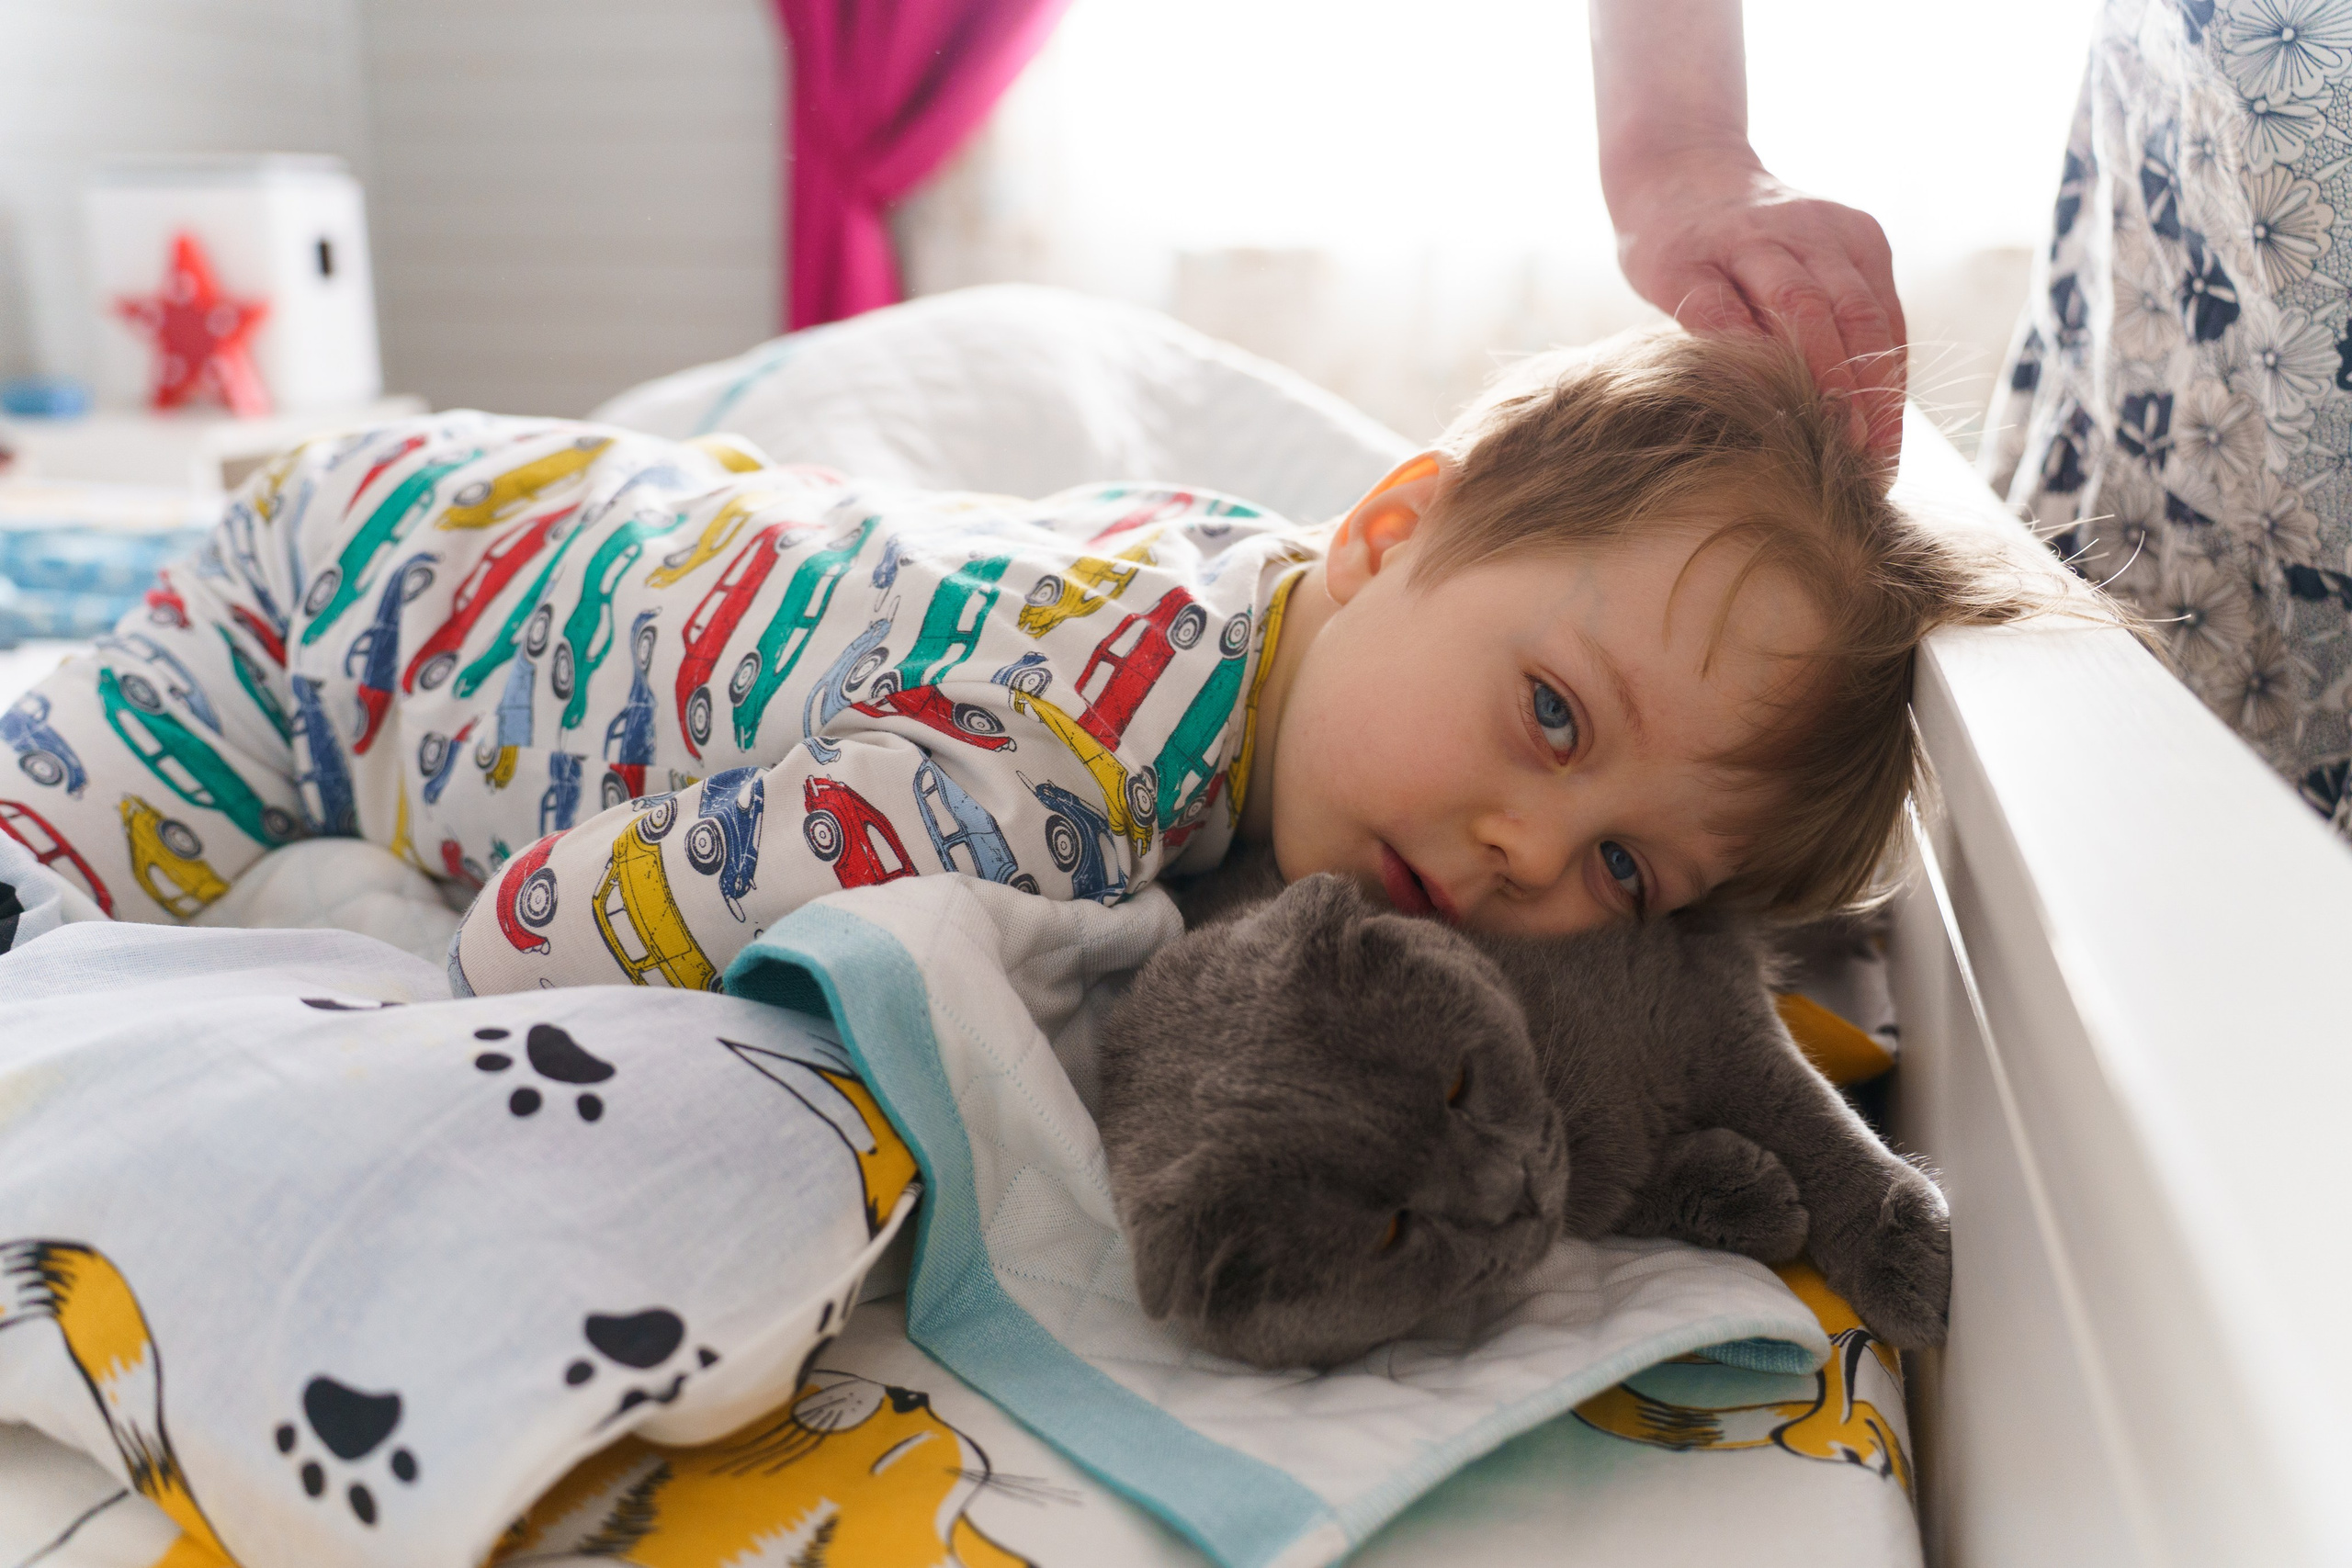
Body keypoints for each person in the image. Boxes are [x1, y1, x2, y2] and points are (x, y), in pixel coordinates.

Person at [0, 325, 2053, 997]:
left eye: (1628, 874)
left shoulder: (1252, 595)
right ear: (1388, 527)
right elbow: (540, 925)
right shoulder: (1051, 799)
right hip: (342, 611)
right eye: (1550, 716)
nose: (1532, 851)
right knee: (68, 840)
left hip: (527, 494)